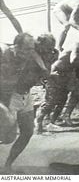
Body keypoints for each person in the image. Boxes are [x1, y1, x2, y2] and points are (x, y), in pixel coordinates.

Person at [0, 33, 48, 171]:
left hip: (25, 96)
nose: (30, 52)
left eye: (31, 48)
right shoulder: (4, 55)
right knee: (8, 138)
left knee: (27, 132)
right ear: (16, 47)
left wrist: (43, 68)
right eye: (27, 49)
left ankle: (8, 165)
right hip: (7, 98)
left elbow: (35, 54)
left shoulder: (30, 54)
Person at [36, 43, 79, 133]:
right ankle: (38, 124)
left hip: (66, 75)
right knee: (50, 102)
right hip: (56, 74)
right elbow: (73, 61)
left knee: (62, 100)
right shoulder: (76, 47)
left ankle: (52, 122)